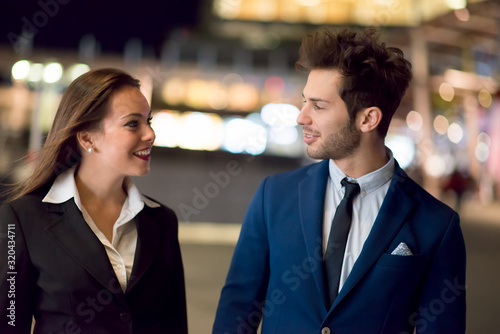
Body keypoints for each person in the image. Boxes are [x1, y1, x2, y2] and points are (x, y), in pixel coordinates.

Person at [213, 27, 466, 334]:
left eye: (318, 106)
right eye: (305, 101)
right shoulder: (274, 197)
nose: (301, 117)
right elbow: (237, 311)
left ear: (367, 119)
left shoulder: (436, 225)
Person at [0, 68, 188, 334]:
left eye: (149, 121)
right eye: (133, 123)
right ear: (87, 137)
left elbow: (174, 325)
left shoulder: (162, 221)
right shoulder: (22, 219)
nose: (150, 134)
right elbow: (7, 323)